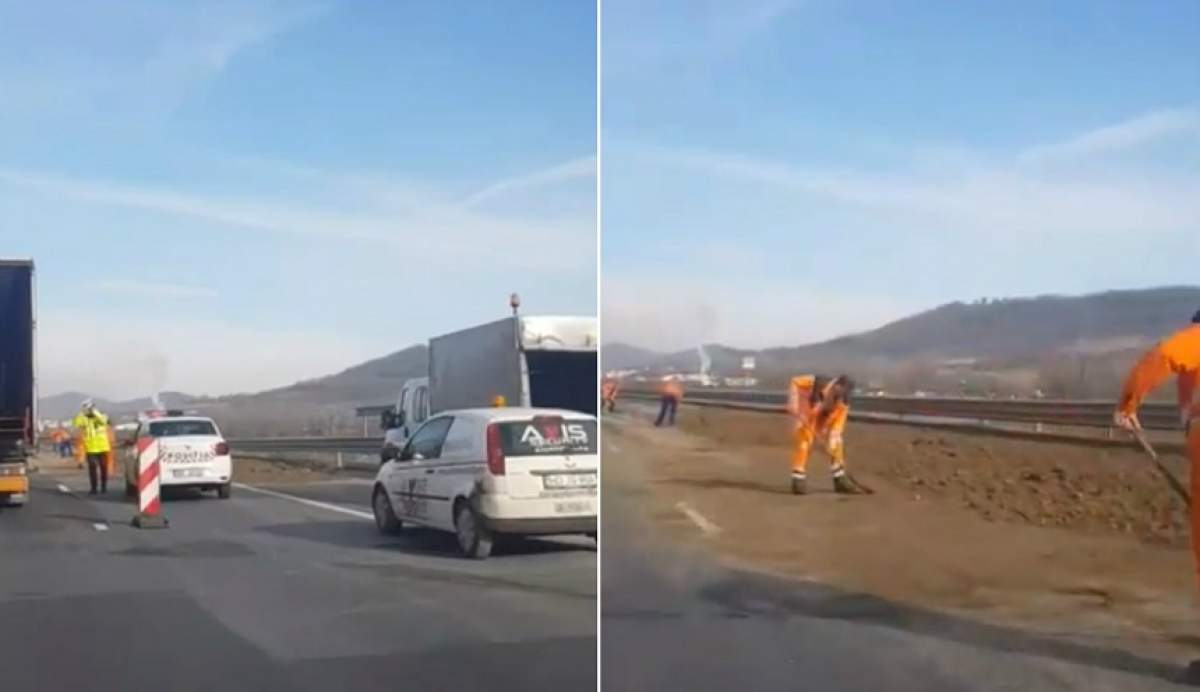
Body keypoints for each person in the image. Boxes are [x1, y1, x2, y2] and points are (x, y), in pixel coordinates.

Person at [787, 374, 862, 495]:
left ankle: (839, 478)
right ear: (836, 385)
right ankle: (798, 478)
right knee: (805, 439)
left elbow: (836, 429)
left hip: (826, 416)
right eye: (838, 392)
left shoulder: (843, 404)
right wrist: (793, 402)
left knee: (836, 442)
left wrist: (831, 442)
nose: (839, 397)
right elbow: (795, 381)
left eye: (842, 395)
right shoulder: (817, 382)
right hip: (807, 409)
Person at [72, 400, 112, 495]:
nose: (89, 411)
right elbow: (76, 423)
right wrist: (82, 412)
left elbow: (105, 421)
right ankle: (93, 488)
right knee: (92, 469)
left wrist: (95, 412)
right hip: (91, 448)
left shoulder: (101, 416)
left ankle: (103, 487)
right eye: (87, 409)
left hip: (103, 447)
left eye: (90, 408)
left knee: (103, 468)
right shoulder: (84, 419)